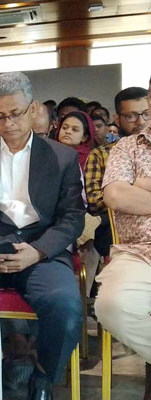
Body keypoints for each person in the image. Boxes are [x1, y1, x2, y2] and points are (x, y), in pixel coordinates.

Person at [0, 71, 84, 400]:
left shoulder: (61, 157)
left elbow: (72, 217)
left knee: (65, 307)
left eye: (16, 113)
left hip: (41, 251)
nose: (8, 124)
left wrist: (38, 251)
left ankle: (44, 378)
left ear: (33, 109)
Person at [96, 79, 151, 399]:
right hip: (139, 251)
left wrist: (142, 187)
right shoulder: (128, 147)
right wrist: (130, 190)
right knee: (112, 305)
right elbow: (115, 195)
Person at [85, 87, 149, 259]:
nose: (141, 122)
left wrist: (132, 189)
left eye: (146, 114)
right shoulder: (101, 154)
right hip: (117, 226)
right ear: (117, 119)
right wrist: (123, 197)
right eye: (131, 116)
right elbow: (95, 201)